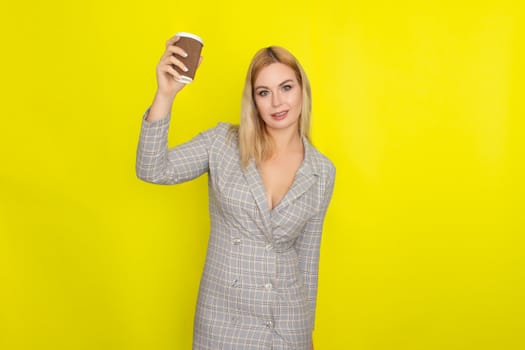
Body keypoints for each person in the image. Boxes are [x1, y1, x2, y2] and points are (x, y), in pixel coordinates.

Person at [136, 34, 335, 350]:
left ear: (302, 90)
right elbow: (153, 169)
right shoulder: (222, 144)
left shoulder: (322, 171)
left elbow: (308, 261)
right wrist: (165, 95)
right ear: (253, 100)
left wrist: (306, 337)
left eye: (286, 87)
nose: (277, 102)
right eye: (264, 92)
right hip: (223, 323)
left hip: (286, 326)